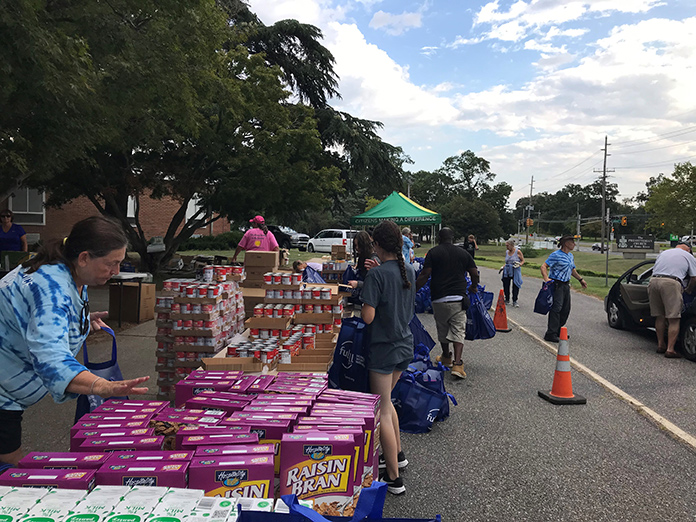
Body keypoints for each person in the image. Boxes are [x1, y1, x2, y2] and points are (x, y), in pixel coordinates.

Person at [0, 215, 150, 466]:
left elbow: (36, 314)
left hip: (9, 380)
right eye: (111, 264)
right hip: (4, 388)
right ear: (84, 257)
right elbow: (51, 359)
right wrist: (102, 386)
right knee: (12, 465)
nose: (116, 271)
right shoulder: (52, 290)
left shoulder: (67, 269)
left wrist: (81, 320)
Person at [361, 220, 415, 495]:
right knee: (388, 402)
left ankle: (394, 478)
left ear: (377, 245)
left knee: (381, 409)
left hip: (384, 348)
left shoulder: (377, 276)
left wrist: (365, 293)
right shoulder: (408, 271)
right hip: (405, 344)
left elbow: (368, 317)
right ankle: (399, 455)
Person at [416, 227, 478, 379]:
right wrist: (473, 286)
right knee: (458, 330)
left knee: (442, 329)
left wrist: (413, 289)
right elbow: (474, 273)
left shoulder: (433, 252)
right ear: (453, 238)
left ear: (439, 238)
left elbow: (425, 274)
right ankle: (458, 364)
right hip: (458, 297)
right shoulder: (463, 253)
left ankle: (446, 357)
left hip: (439, 298)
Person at [648, 240, 696, 358]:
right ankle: (670, 349)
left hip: (653, 281)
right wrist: (689, 290)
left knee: (660, 316)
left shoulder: (664, 253)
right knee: (674, 318)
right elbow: (694, 278)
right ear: (689, 250)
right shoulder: (688, 256)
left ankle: (660, 345)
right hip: (671, 282)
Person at [540, 235, 587, 343]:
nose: (574, 244)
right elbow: (543, 266)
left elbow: (572, 270)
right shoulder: (556, 255)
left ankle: (558, 330)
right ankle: (551, 333)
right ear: (566, 243)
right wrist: (546, 279)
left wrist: (580, 279)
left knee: (566, 309)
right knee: (556, 309)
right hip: (557, 284)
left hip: (566, 285)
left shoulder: (570, 256)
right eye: (572, 242)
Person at [501, 239, 525, 307]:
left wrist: (519, 264)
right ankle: (507, 299)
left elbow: (523, 260)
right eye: (506, 246)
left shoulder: (518, 251)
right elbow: (507, 261)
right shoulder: (507, 252)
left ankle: (515, 300)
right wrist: (503, 267)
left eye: (508, 246)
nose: (507, 247)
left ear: (512, 245)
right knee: (506, 284)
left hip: (515, 269)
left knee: (515, 285)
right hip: (507, 269)